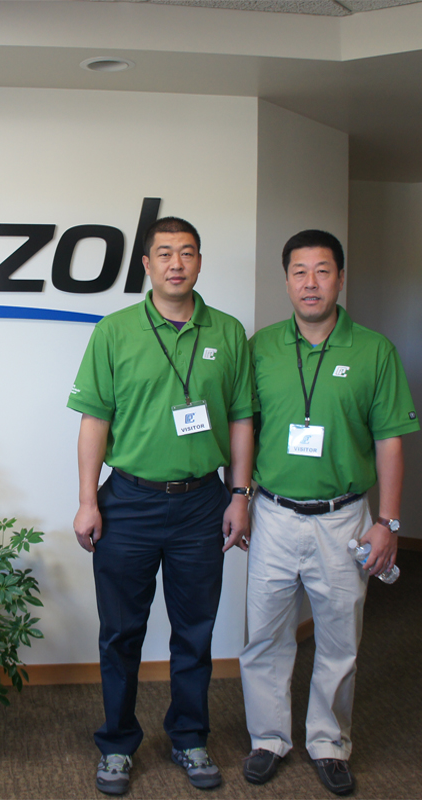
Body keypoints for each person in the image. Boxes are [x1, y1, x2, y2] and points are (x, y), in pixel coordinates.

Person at [68, 216, 253, 795]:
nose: (177, 263)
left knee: (195, 631)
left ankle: (189, 737)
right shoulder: (115, 331)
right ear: (146, 264)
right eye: (165, 253)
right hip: (128, 503)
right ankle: (117, 744)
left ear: (199, 262)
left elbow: (242, 418)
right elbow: (94, 420)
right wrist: (87, 501)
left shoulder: (228, 331)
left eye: (187, 252)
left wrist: (240, 493)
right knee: (121, 633)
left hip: (203, 503)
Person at [239, 229, 419, 796]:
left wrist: (388, 522)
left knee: (340, 640)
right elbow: (243, 427)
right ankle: (268, 738)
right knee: (264, 636)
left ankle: (329, 742)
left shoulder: (374, 350)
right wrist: (239, 496)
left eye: (322, 270)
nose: (310, 282)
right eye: (299, 271)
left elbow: (390, 440)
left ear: (340, 278)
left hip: (345, 518)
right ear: (286, 280)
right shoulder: (261, 347)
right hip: (273, 513)